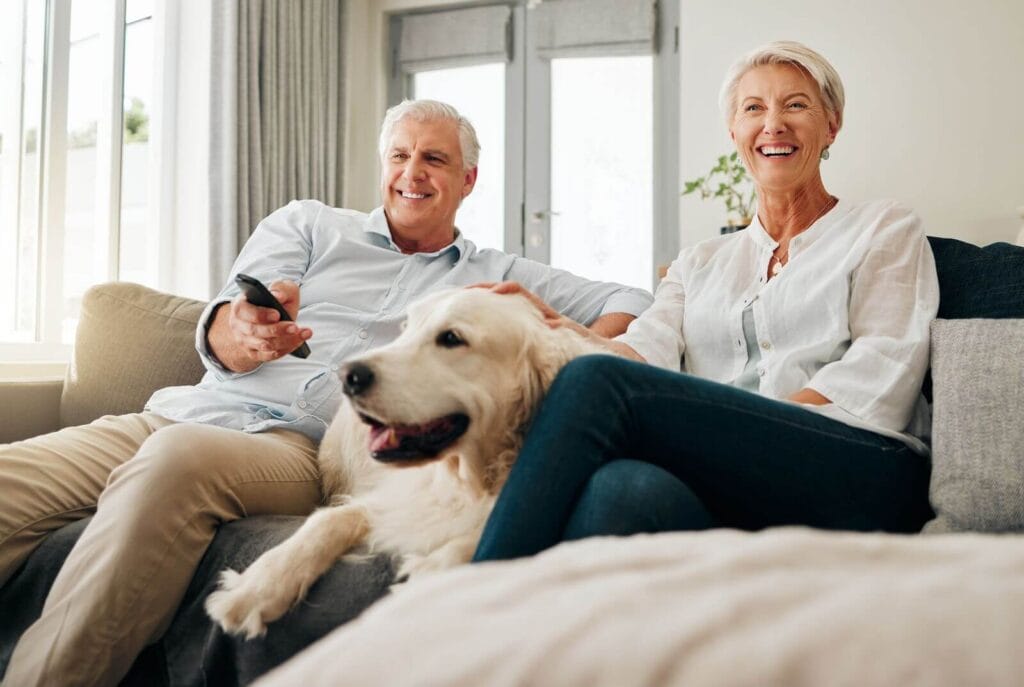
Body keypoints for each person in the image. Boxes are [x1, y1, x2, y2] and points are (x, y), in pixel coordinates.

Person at [0, 99, 652, 687]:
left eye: (434, 159)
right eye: (399, 155)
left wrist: (542, 322)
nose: (412, 172)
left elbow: (633, 302)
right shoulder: (311, 226)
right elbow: (233, 314)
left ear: (467, 180)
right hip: (179, 410)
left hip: (287, 446)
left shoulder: (497, 274)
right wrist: (239, 327)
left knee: (174, 463)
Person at [473, 41, 939, 563]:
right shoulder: (699, 262)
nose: (773, 124)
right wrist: (548, 324)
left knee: (593, 386)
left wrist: (728, 430)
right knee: (622, 490)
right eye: (753, 108)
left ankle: (471, 600)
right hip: (735, 481)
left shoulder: (884, 227)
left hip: (860, 468)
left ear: (832, 125)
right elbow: (636, 356)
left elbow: (883, 370)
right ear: (734, 133)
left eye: (796, 105)